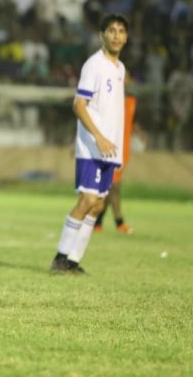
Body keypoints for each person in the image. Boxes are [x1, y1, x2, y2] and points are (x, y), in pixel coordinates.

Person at [50, 14, 128, 274]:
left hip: (110, 149)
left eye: (121, 31)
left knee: (98, 205)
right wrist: (99, 137)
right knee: (88, 200)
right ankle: (60, 257)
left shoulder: (120, 69)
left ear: (126, 38)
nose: (116, 35)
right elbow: (79, 105)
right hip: (93, 147)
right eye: (111, 30)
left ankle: (73, 261)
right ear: (101, 35)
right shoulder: (94, 65)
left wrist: (114, 144)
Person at [94, 77, 138, 235]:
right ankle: (119, 222)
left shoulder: (131, 102)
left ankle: (97, 222)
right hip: (111, 149)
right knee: (114, 186)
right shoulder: (109, 102)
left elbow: (132, 122)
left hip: (124, 151)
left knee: (110, 186)